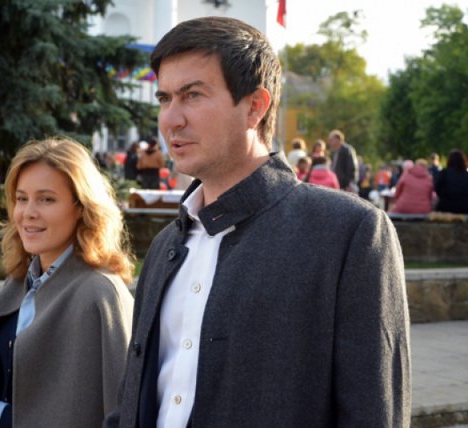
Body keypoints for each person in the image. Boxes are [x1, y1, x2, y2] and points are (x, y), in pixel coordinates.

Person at [104, 16, 410, 428]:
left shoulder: (349, 233)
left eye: (192, 95)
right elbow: (135, 400)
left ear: (254, 106)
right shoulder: (165, 246)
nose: (170, 119)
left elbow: (373, 413)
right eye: (164, 98)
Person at [0, 137, 134, 427]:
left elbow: (118, 412)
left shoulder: (100, 294)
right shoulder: (21, 282)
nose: (28, 212)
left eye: (46, 199)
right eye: (21, 198)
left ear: (82, 207)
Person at [434, 148, 468, 214]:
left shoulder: (444, 173)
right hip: (464, 207)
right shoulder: (466, 175)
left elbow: (437, 188)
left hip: (446, 206)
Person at [327, 129, 359, 193]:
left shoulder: (347, 150)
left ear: (338, 139)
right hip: (337, 183)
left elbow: (352, 167)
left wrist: (349, 183)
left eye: (331, 140)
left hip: (346, 185)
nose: (330, 142)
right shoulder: (333, 152)